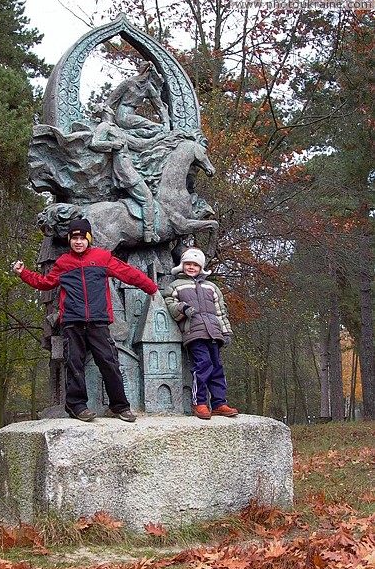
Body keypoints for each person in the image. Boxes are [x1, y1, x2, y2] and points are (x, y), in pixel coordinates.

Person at [13, 219, 158, 423]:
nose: (78, 242)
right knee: (74, 363)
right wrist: (23, 273)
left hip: (98, 320)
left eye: (82, 238)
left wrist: (150, 287)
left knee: (109, 362)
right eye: (75, 238)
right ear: (70, 240)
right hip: (72, 321)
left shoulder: (102, 257)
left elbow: (128, 273)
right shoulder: (63, 263)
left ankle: (120, 406)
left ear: (88, 239)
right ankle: (77, 406)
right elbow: (45, 283)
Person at [163, 248, 238, 420]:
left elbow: (220, 312)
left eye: (195, 265)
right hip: (194, 333)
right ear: (182, 265)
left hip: (213, 333)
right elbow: (170, 305)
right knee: (203, 365)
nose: (191, 267)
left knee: (217, 367)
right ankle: (200, 402)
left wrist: (226, 332)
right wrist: (183, 308)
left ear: (201, 267)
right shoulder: (175, 286)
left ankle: (219, 403)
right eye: (188, 264)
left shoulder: (211, 287)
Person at [90, 104, 159, 243]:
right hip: (124, 171)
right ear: (106, 110)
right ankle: (149, 233)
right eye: (109, 108)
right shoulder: (104, 126)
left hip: (129, 167)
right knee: (147, 199)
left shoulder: (115, 127)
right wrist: (112, 145)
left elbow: (138, 144)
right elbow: (94, 143)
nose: (112, 109)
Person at [106, 62, 170, 138]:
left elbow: (160, 107)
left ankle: (127, 133)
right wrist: (105, 118)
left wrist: (166, 123)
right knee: (157, 128)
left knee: (160, 129)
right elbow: (111, 101)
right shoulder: (129, 82)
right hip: (123, 114)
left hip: (132, 114)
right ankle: (125, 133)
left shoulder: (148, 88)